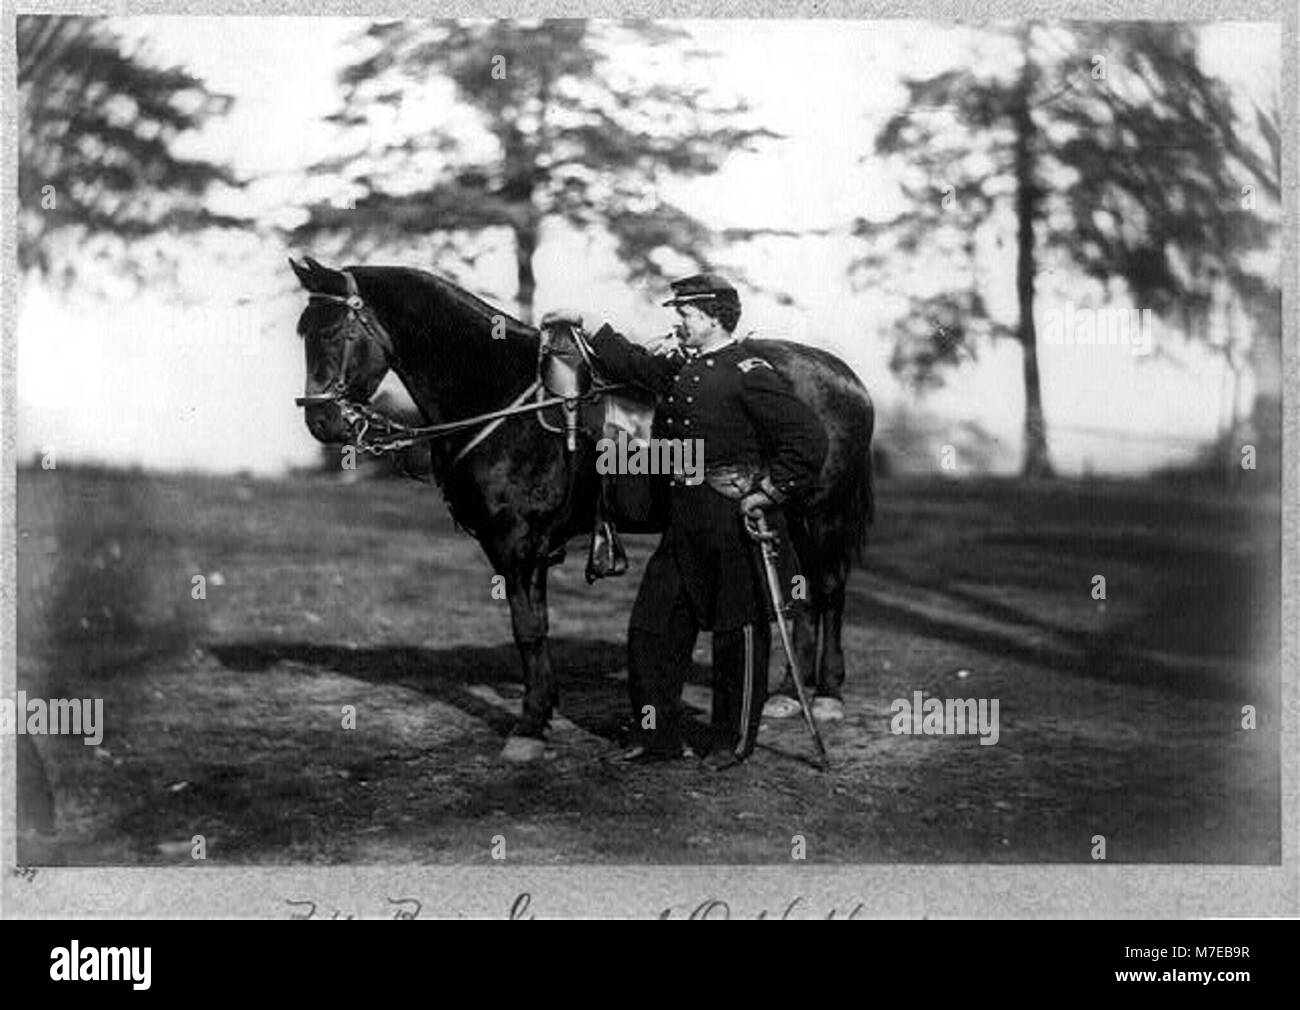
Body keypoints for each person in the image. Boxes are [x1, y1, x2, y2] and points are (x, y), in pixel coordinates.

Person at [542, 274, 827, 771]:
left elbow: (807, 439)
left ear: (714, 318)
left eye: (688, 314)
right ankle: (658, 737)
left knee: (736, 635)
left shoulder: (749, 370)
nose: (679, 321)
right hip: (684, 519)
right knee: (651, 629)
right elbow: (634, 364)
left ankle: (730, 743)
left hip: (733, 520)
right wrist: (585, 324)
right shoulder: (682, 368)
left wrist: (769, 492)